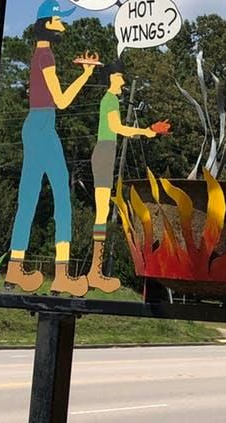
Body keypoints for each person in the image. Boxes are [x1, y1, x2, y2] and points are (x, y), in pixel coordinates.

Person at [5, 0, 94, 296]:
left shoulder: (38, 54)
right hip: (43, 126)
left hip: (34, 125)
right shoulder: (46, 57)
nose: (63, 25)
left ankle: (14, 270)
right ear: (48, 24)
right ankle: (61, 275)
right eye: (59, 21)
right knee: (62, 200)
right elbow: (63, 101)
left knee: (27, 199)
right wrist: (85, 75)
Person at [87, 60, 169, 292]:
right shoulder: (110, 99)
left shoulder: (111, 100)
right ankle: (95, 271)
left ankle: (96, 270)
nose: (123, 80)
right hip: (104, 150)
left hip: (106, 150)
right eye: (120, 76)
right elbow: (117, 128)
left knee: (102, 209)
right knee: (102, 210)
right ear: (112, 77)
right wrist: (146, 131)